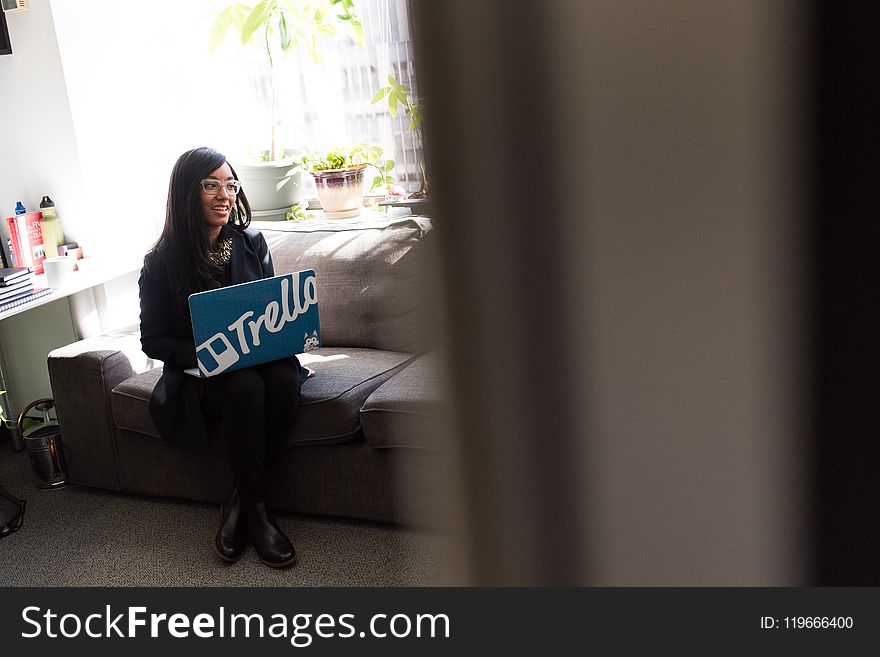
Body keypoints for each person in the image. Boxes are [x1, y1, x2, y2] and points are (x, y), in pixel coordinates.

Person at [139, 147, 309, 568]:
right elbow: (153, 340)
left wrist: (289, 330)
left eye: (230, 184)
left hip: (260, 361)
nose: (224, 195)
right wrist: (208, 351)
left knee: (284, 380)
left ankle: (239, 498)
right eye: (210, 184)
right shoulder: (159, 263)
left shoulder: (251, 243)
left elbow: (269, 305)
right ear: (185, 192)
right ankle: (258, 510)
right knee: (245, 386)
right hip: (203, 375)